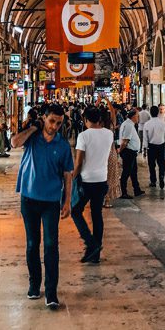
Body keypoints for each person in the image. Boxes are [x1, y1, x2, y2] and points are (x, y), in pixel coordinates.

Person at [11, 104, 74, 309]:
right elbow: (14, 143)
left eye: (58, 123)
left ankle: (51, 291)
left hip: (50, 201)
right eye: (51, 121)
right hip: (29, 198)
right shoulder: (32, 139)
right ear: (44, 119)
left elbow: (68, 175)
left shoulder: (62, 145)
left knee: (50, 245)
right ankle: (34, 283)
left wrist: (67, 201)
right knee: (31, 244)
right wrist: (33, 128)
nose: (54, 126)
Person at [71, 107, 113, 264]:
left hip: (86, 181)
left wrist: (72, 179)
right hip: (101, 180)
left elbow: (79, 162)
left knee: (75, 211)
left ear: (86, 120)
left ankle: (91, 243)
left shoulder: (83, 136)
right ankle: (95, 253)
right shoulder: (109, 134)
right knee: (97, 215)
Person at [118, 109, 145, 199]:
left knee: (133, 172)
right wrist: (120, 151)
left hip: (131, 152)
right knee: (126, 172)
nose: (138, 117)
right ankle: (123, 192)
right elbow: (125, 141)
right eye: (137, 116)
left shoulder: (129, 124)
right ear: (133, 116)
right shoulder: (129, 125)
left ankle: (137, 190)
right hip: (128, 152)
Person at [143, 104, 165, 189]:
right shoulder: (163, 123)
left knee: (151, 165)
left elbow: (145, 138)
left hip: (151, 147)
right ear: (158, 112)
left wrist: (145, 148)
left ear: (150, 113)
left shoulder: (147, 124)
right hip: (161, 145)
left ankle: (153, 181)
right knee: (162, 164)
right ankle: (161, 177)